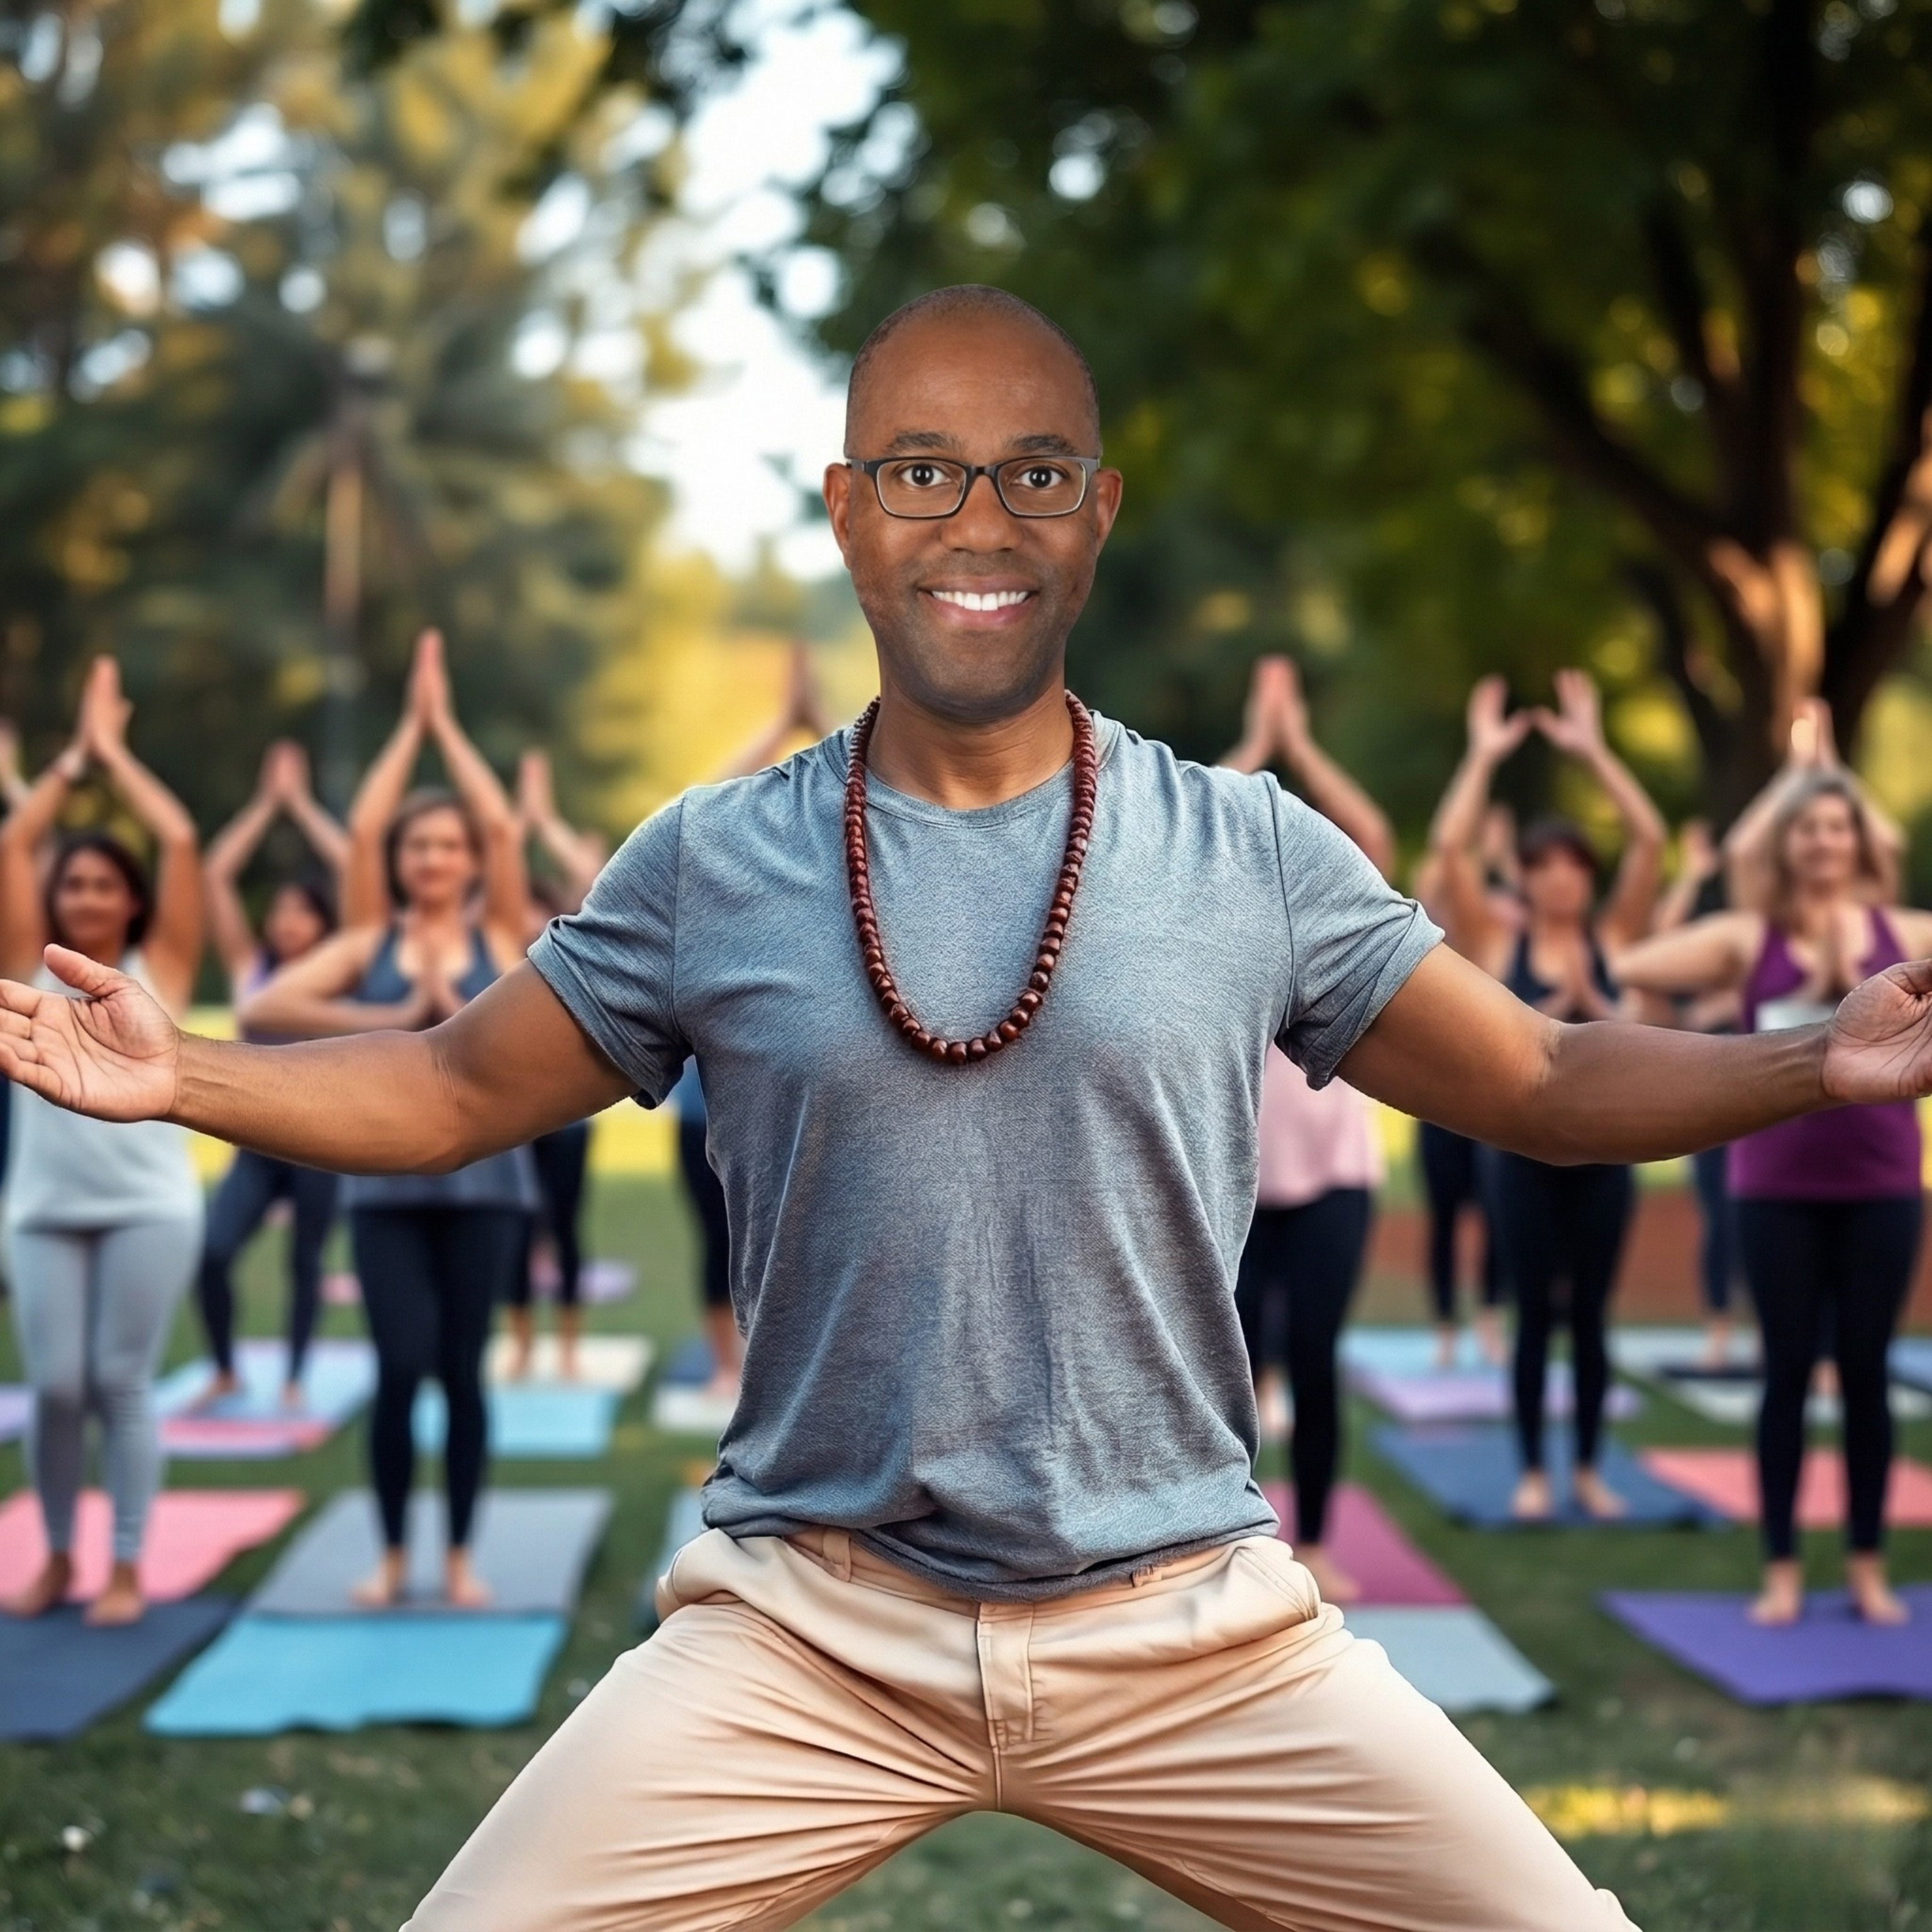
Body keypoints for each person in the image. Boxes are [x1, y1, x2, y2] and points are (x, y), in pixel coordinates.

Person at [9, 289, 1932, 1932]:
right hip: (807, 1627)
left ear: (1093, 517)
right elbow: (448, 1085)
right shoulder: (712, 860)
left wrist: (1810, 1058)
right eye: (920, 467)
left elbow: (1534, 1072)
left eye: (1031, 471)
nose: (975, 516)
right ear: (848, 514)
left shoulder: (1246, 848)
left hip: (1188, 1623)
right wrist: (181, 1072)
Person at [242, 630, 536, 1609]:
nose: (437, 857)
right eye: (420, 845)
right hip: (384, 1190)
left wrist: (443, 726)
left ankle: (456, 1556)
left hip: (489, 1188)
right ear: (400, 860)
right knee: (399, 1368)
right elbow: (268, 1007)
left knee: (462, 1374)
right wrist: (391, 1018)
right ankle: (390, 1555)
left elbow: (504, 831)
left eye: (449, 844)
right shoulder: (370, 939)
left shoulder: (502, 933)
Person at [1616, 758, 1932, 1628]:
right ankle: (1784, 1568)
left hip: (1881, 1185)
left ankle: (1867, 1566)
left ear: (1860, 840)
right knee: (1785, 1373)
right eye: (1808, 828)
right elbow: (1635, 959)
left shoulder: (1898, 928)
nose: (1824, 841)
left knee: (1867, 1375)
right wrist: (1788, 783)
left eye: (1838, 826)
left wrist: (1832, 778)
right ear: (1784, 845)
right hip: (1774, 1188)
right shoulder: (1745, 941)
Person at [1426, 670, 1665, 1521]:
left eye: (1573, 866)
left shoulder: (1615, 936)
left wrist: (1594, 749)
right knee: (1533, 1318)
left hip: (1604, 1156)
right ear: (1524, 878)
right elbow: (1449, 851)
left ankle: (1592, 1471)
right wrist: (1483, 757)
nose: (1560, 880)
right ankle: (1532, 1472)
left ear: (1588, 879)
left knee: (1593, 1320)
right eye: (1544, 866)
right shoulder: (1498, 938)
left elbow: (1649, 838)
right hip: (1520, 1160)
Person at [0, 658, 204, 1626]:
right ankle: (54, 1554)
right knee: (55, 1386)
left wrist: (113, 757)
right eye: (69, 883)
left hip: (149, 1208)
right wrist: (66, 763)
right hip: (42, 1208)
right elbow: (17, 838)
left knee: (120, 1382)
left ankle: (126, 1565)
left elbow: (176, 836)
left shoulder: (159, 965)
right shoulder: (25, 965)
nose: (82, 897)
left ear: (129, 901)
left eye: (101, 884)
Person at [1220, 654, 1391, 1601]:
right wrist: (1256, 741)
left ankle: (1317, 1543)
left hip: (1333, 1175)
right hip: (1236, 1177)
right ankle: (1239, 1543)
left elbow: (1368, 830)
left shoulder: (1340, 917)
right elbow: (1185, 824)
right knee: (1231, 1368)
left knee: (1317, 1360)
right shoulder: (1206, 913)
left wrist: (1300, 747)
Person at [194, 740, 347, 1407]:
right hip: (255, 1142)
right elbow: (213, 876)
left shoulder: (341, 971)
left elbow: (356, 867)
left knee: (304, 1264)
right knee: (213, 1252)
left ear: (323, 924)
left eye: (302, 911)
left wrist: (305, 807)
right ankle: (225, 1367)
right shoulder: (248, 966)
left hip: (319, 1139)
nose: (286, 921)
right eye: (280, 910)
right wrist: (266, 805)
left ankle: (293, 1380)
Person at [502, 749, 608, 1380]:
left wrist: (544, 822)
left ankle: (568, 1345)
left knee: (564, 1227)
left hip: (567, 1115)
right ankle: (521, 1342)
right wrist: (520, 823)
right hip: (513, 1117)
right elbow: (494, 872)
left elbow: (593, 881)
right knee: (516, 1231)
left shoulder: (572, 942)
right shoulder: (494, 943)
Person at [1644, 817, 1745, 1368]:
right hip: (1711, 1098)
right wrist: (1690, 875)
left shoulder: (1765, 945)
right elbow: (1660, 939)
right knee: (1719, 1215)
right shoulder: (1704, 970)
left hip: (1770, 1105)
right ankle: (1720, 1327)